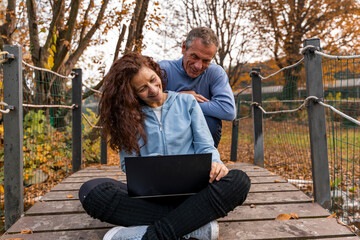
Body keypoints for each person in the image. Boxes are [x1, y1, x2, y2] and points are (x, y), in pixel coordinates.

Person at [78, 52, 250, 240]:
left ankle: (153, 234)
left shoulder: (187, 102)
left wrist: (216, 164)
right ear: (131, 93)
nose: (153, 90)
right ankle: (192, 225)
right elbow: (128, 165)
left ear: (157, 72)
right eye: (142, 88)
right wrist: (155, 166)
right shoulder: (127, 117)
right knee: (90, 191)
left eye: (153, 80)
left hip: (194, 192)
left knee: (239, 180)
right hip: (152, 197)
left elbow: (205, 146)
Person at [159, 27, 236, 148]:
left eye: (206, 60)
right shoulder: (163, 70)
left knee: (210, 121)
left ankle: (204, 162)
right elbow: (143, 103)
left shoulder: (215, 73)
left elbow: (228, 110)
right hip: (165, 138)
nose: (198, 66)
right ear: (184, 48)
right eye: (194, 57)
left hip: (201, 143)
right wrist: (178, 97)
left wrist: (185, 102)